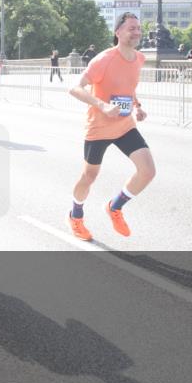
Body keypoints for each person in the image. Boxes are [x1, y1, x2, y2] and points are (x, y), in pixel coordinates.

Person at [66, 12, 154, 241]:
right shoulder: (103, 60)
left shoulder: (139, 59)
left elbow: (128, 86)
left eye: (138, 28)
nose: (137, 32)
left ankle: (115, 207)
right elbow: (75, 88)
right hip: (99, 127)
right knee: (89, 177)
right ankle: (76, 216)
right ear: (118, 33)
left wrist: (137, 106)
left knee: (148, 171)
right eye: (131, 28)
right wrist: (101, 105)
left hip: (125, 125)